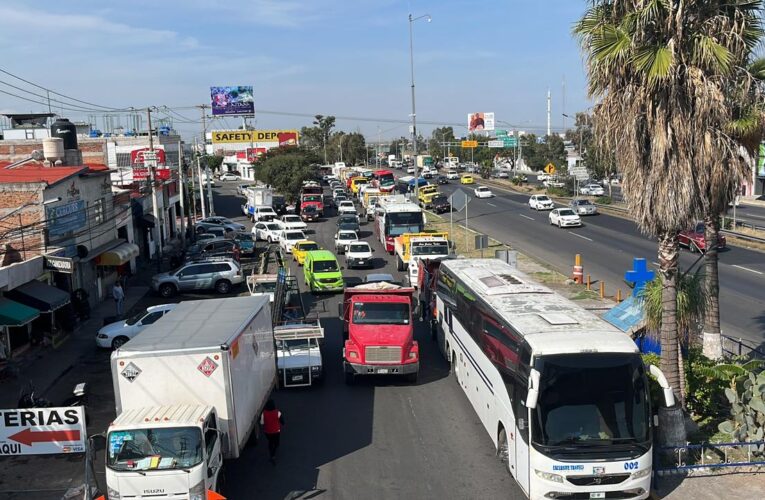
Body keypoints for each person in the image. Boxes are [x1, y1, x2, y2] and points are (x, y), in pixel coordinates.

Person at [260, 399, 284, 464]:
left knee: (270, 442)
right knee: (276, 443)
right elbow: (282, 421)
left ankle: (271, 454)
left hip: (267, 432)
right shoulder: (278, 413)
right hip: (276, 431)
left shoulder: (263, 413)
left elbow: (262, 423)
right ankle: (273, 454)